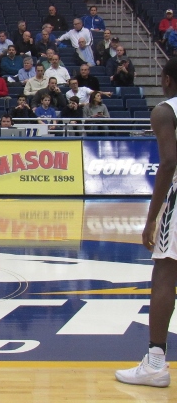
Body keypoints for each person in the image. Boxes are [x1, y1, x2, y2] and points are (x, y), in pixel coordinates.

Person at [115, 59, 177, 389]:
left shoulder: (166, 111)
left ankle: (155, 362)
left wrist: (151, 218)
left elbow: (168, 162)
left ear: (166, 80)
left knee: (165, 272)